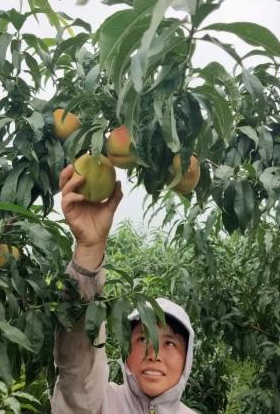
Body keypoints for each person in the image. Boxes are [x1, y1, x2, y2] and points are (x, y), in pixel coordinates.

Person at [51, 165, 197, 414]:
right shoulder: (100, 404)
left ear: (187, 358)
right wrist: (89, 250)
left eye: (170, 343)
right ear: (125, 350)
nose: (154, 354)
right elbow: (77, 369)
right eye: (143, 339)